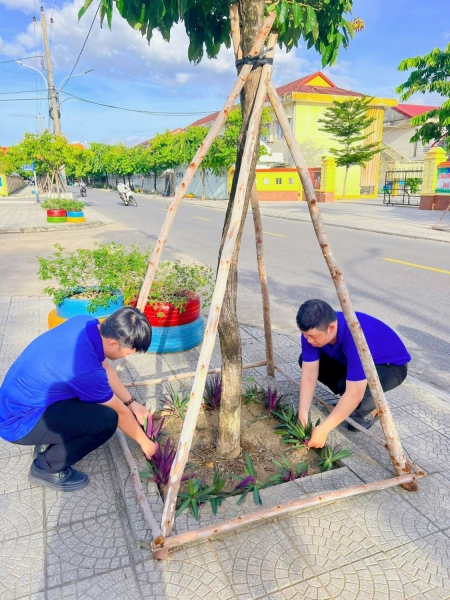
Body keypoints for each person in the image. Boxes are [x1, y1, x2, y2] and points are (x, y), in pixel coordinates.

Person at [0, 307, 157, 492]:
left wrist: (132, 403)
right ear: (113, 343)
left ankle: (50, 438)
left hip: (14, 403)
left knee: (90, 399)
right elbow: (120, 413)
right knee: (107, 420)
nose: (126, 357)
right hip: (19, 423)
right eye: (128, 353)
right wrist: (147, 444)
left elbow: (103, 366)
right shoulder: (87, 371)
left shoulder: (85, 322)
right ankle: (46, 468)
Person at [297, 299, 411, 448]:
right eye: (305, 335)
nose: (309, 340)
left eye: (313, 337)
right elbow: (309, 374)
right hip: (354, 360)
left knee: (349, 389)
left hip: (390, 367)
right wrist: (303, 413)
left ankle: (372, 408)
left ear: (331, 328)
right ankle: (350, 397)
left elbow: (354, 394)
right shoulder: (312, 332)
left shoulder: (357, 338)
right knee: (305, 360)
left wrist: (323, 430)